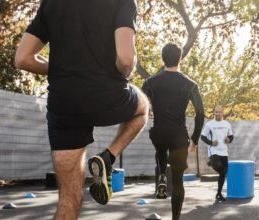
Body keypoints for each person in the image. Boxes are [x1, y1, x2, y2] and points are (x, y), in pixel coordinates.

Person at [14, 0, 149, 218]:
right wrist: (123, 74)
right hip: (106, 94)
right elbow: (126, 60)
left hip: (64, 104)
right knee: (143, 109)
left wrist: (60, 68)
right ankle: (108, 156)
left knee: (68, 198)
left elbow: (22, 59)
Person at [142, 43, 205, 220]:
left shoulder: (150, 82)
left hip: (158, 132)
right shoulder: (190, 85)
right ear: (180, 59)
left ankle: (162, 173)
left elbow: (139, 105)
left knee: (160, 148)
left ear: (162, 58)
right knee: (178, 181)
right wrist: (194, 139)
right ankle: (175, 218)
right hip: (178, 136)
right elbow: (201, 114)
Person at [200, 106, 234, 202]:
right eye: (216, 112)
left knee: (223, 173)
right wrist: (211, 142)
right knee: (219, 168)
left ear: (222, 113)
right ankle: (212, 161)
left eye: (219, 112)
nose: (218, 113)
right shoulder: (209, 124)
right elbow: (202, 137)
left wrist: (229, 139)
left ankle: (219, 193)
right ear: (214, 113)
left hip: (224, 151)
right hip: (213, 150)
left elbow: (231, 136)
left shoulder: (227, 124)